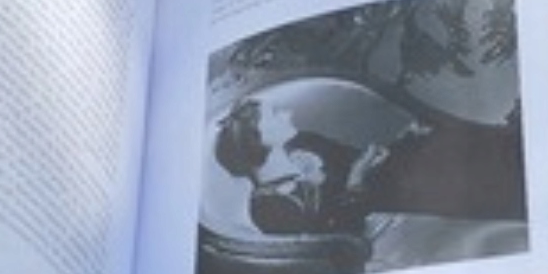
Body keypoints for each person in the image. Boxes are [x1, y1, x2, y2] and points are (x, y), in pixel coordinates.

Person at [212, 76, 526, 237]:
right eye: (275, 115)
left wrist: (401, 140)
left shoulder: (304, 141)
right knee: (457, 174)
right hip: (390, 200)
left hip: (395, 171)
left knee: (443, 137)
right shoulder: (267, 208)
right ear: (257, 139)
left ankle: (521, 147)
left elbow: (357, 158)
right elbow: (336, 238)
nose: (287, 113)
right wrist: (356, 180)